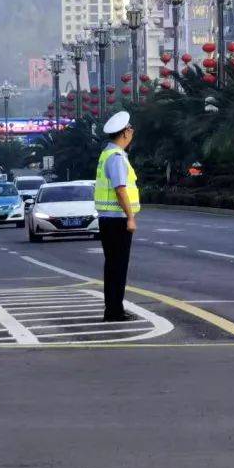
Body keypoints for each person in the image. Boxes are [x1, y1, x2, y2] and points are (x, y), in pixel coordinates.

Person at [94, 111, 141, 322]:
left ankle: (114, 308)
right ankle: (114, 310)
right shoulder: (116, 157)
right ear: (124, 133)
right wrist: (130, 217)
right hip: (117, 220)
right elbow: (120, 189)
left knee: (113, 265)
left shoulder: (109, 154)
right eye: (130, 130)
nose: (132, 133)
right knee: (117, 266)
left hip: (110, 219)